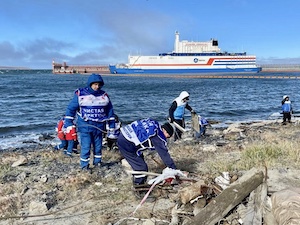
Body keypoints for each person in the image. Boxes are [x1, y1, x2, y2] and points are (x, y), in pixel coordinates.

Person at [64, 74, 115, 171]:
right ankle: (84, 166)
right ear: (90, 84)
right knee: (86, 146)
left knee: (98, 146)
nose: (97, 87)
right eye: (95, 84)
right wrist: (68, 123)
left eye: (99, 84)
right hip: (85, 126)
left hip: (99, 126)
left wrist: (111, 127)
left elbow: (110, 111)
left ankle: (97, 163)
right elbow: (71, 109)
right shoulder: (80, 94)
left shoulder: (104, 96)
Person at [117, 118, 177, 194]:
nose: (167, 138)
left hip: (123, 134)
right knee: (141, 168)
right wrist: (173, 169)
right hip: (127, 144)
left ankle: (141, 183)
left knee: (140, 160)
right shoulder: (158, 136)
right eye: (168, 136)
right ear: (166, 131)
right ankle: (139, 190)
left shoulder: (153, 123)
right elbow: (164, 154)